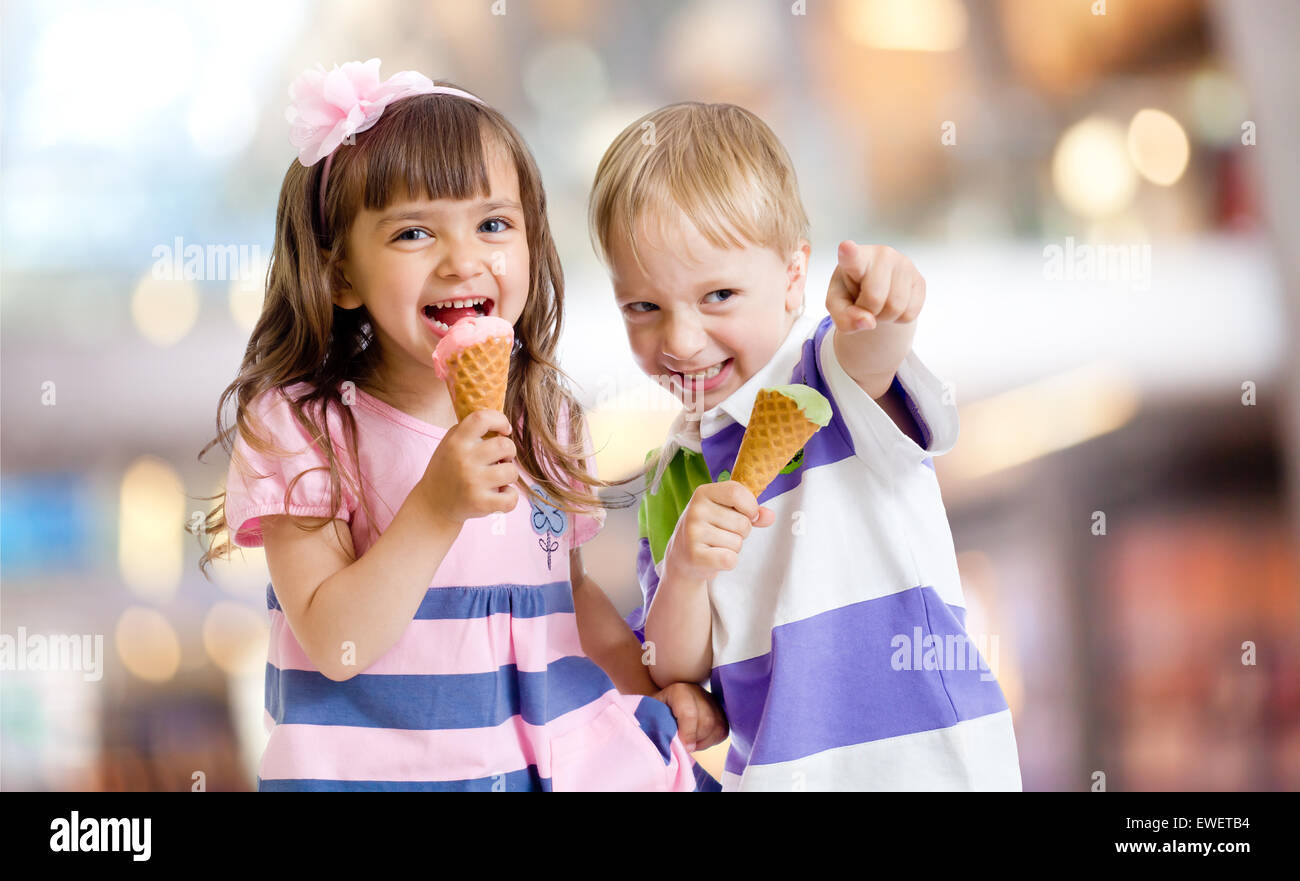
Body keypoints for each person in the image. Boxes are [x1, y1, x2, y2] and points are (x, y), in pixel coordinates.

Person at [197, 61, 722, 791]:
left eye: (494, 224)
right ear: (341, 274)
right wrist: (434, 508)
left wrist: (650, 691)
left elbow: (571, 602)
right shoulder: (302, 427)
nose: (462, 259)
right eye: (413, 232)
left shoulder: (543, 413)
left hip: (551, 764)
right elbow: (335, 641)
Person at [588, 101, 1023, 791]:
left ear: (794, 278)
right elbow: (679, 666)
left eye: (719, 295)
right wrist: (688, 569)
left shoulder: (829, 375)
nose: (680, 340)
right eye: (644, 307)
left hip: (927, 766)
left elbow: (872, 351)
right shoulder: (673, 472)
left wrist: (884, 302)